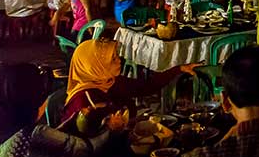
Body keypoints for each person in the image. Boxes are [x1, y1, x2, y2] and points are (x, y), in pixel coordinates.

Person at [62, 39, 195, 123]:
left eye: (116, 56)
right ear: (96, 67)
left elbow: (146, 87)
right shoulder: (84, 102)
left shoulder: (110, 82)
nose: (119, 61)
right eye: (113, 59)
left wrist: (178, 69)